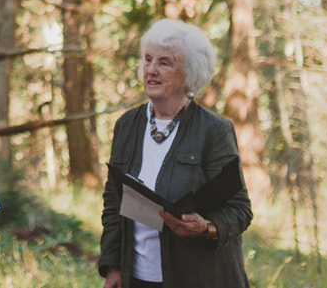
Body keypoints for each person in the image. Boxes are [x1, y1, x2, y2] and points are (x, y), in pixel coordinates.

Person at [99, 19, 253, 288]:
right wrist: (113, 266)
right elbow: (114, 201)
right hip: (137, 278)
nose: (151, 70)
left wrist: (207, 227)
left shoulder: (214, 131)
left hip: (198, 278)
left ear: (189, 74)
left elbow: (240, 209)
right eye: (147, 60)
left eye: (164, 63)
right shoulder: (127, 126)